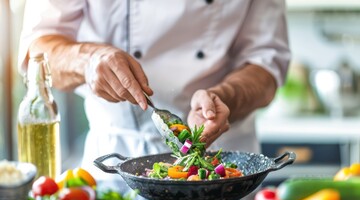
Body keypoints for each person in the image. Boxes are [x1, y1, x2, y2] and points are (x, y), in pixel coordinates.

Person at [18, 0, 291, 179]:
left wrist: (224, 97)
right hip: (115, 160)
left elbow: (266, 64)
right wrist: (88, 60)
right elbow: (37, 51)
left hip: (223, 166)